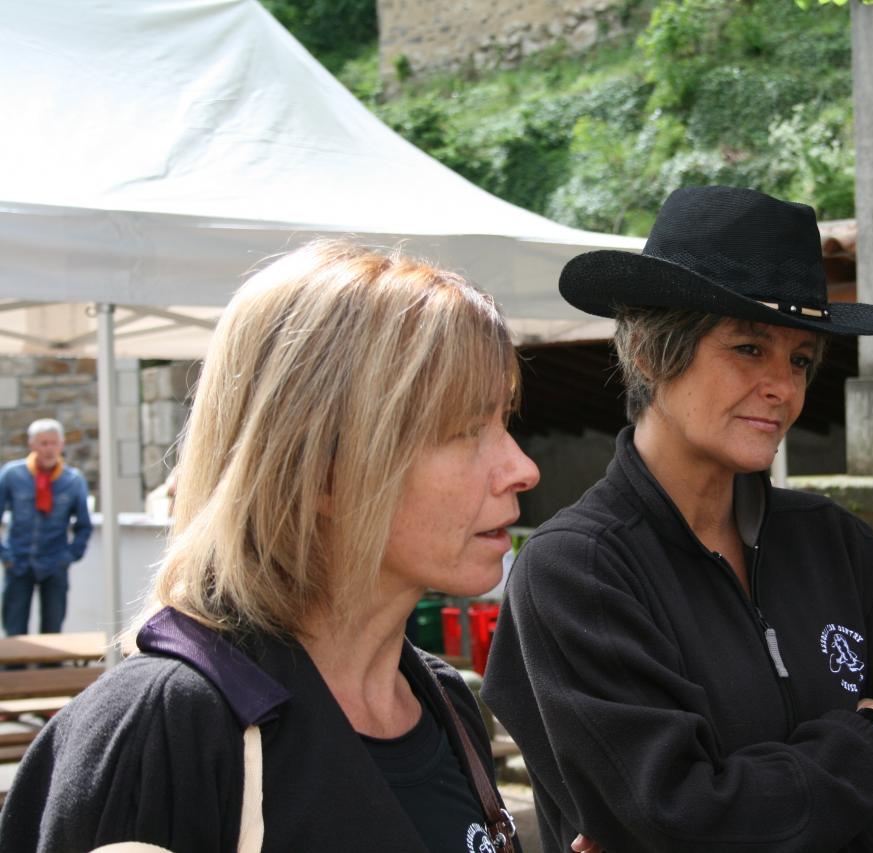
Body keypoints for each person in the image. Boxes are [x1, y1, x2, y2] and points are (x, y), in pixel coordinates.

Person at [482, 186, 873, 852]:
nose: (783, 387)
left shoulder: (837, 544)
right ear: (650, 350)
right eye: (750, 348)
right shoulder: (578, 572)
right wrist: (867, 739)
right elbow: (681, 818)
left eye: (800, 359)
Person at [0, 240, 539, 851]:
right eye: (466, 430)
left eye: (504, 421)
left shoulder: (441, 700)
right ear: (319, 469)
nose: (523, 469)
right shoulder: (169, 727)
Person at [0, 418, 92, 636]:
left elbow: (83, 525)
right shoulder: (13, 475)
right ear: (32, 444)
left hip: (54, 564)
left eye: (54, 443)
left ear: (62, 444)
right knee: (14, 632)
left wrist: (68, 557)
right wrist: (5, 556)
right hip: (18, 562)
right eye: (43, 443)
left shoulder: (73, 480)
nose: (49, 449)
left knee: (53, 631)